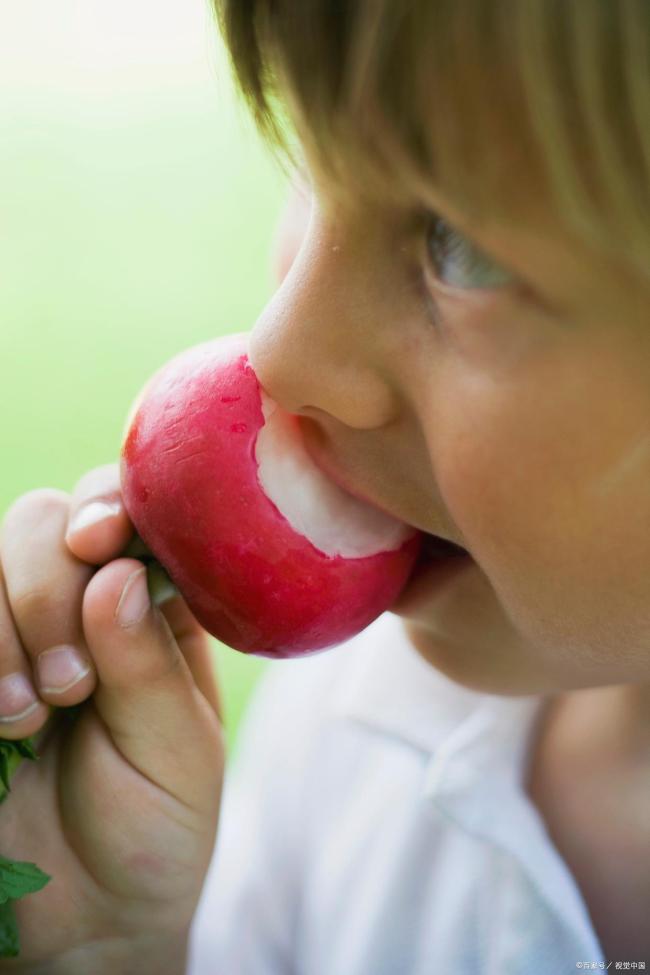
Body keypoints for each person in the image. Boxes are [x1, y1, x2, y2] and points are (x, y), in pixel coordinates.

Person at [0, 1, 648, 971]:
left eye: (457, 247)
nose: (280, 347)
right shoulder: (352, 742)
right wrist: (107, 953)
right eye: (309, 150)